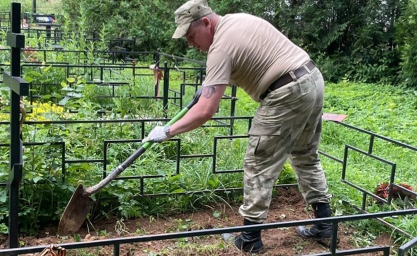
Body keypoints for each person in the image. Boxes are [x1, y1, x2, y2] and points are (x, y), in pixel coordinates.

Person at [142, 0, 333, 253]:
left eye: (191, 35)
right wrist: (212, 83)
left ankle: (250, 238)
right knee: (305, 155)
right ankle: (325, 223)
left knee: (259, 162)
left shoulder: (219, 48)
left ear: (206, 23)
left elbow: (206, 111)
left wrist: (167, 131)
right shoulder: (236, 20)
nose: (190, 43)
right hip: (311, 80)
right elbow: (251, 58)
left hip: (285, 92)